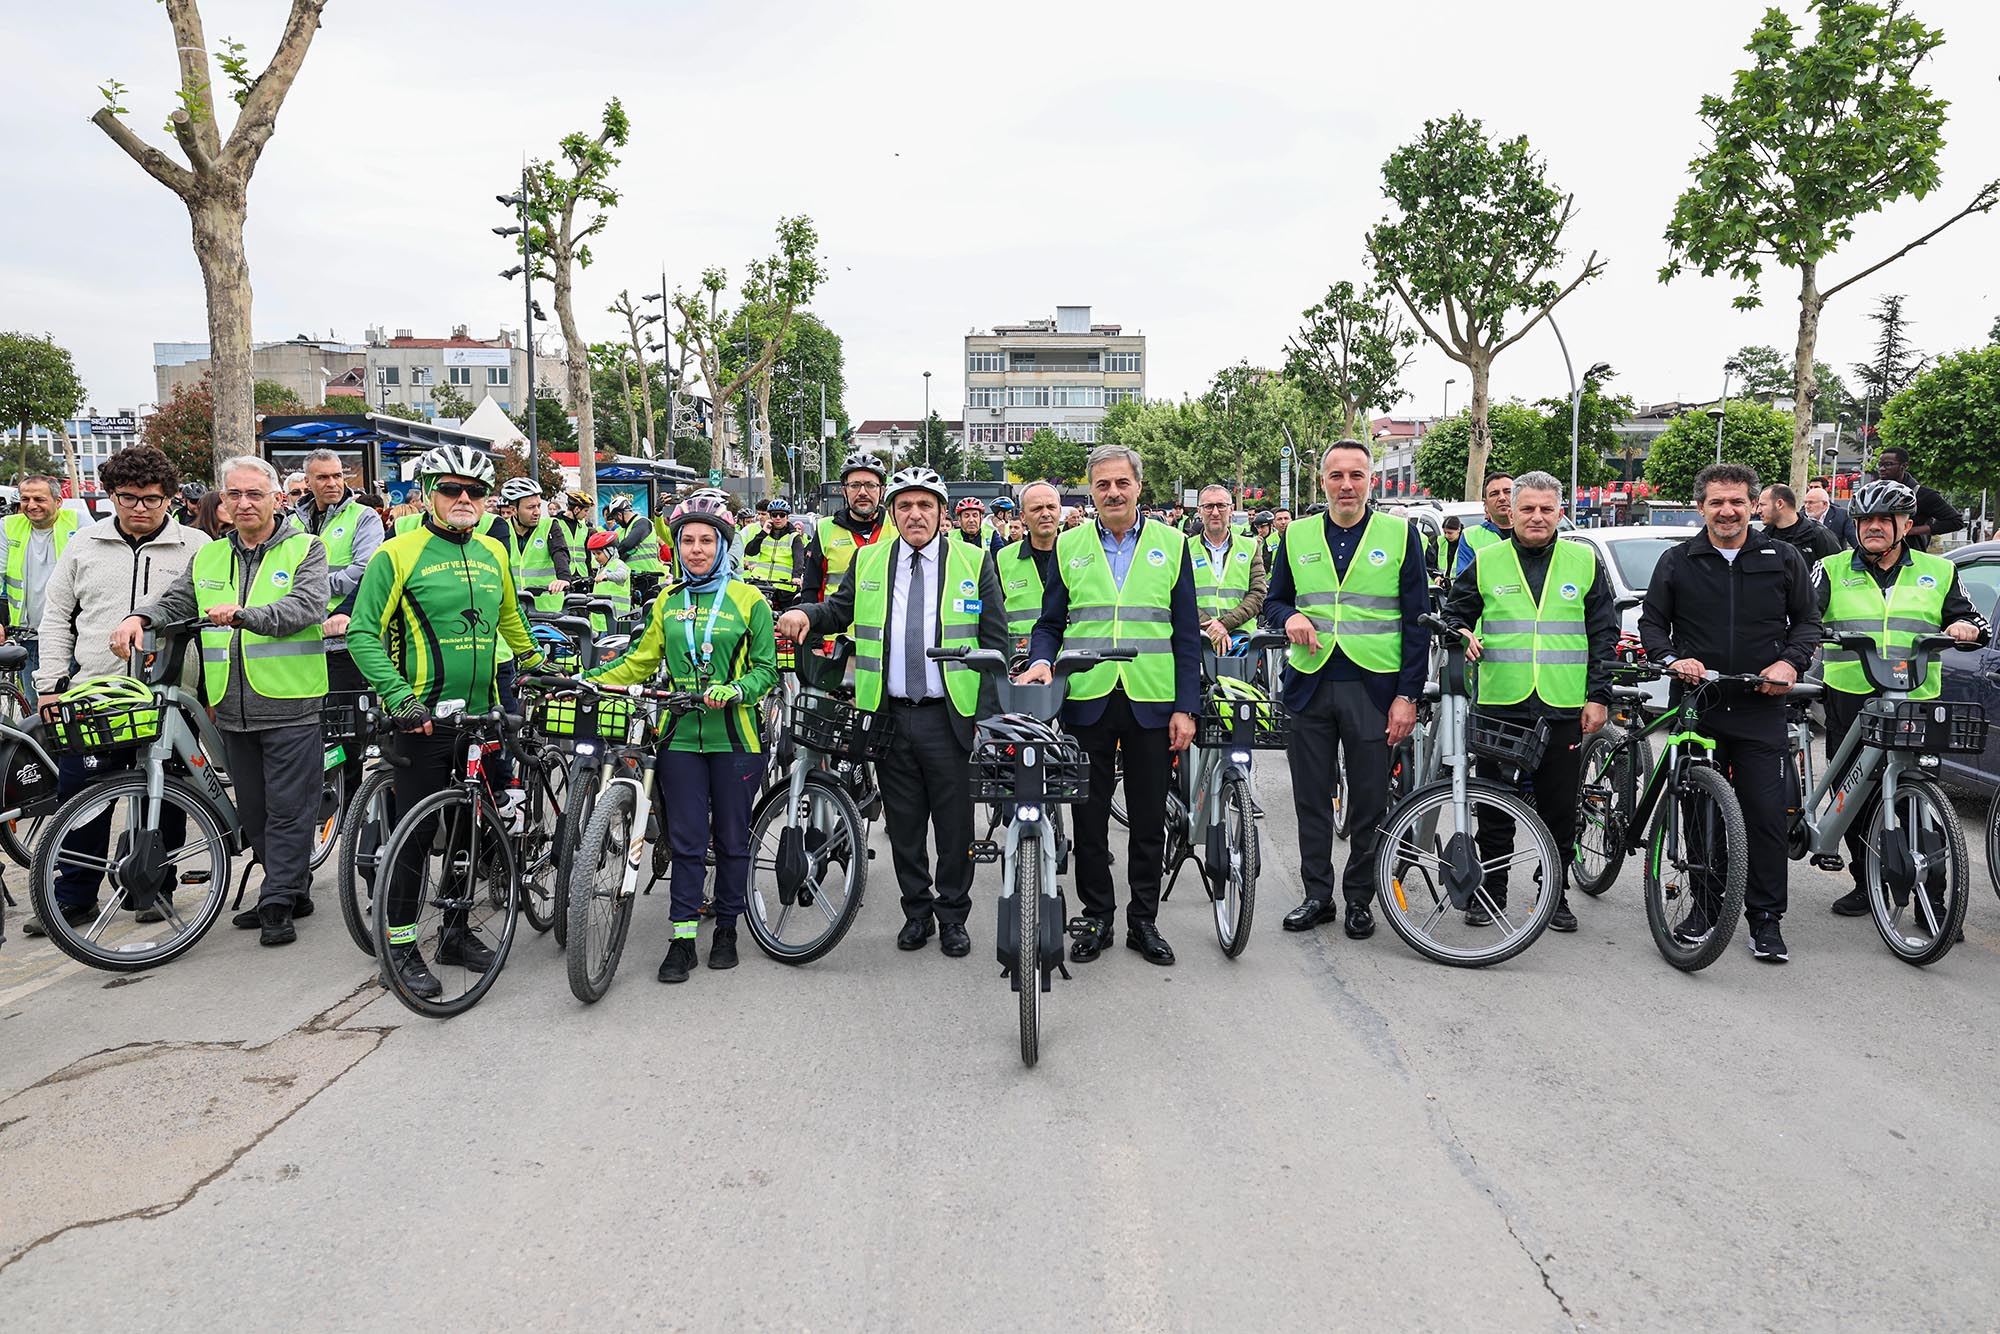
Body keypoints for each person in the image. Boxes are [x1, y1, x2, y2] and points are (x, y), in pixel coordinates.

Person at [777, 466, 1007, 956]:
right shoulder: (869, 561)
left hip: (952, 716)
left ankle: (952, 916)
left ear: (942, 513)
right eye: (905, 506)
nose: (915, 514)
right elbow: (837, 611)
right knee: (903, 825)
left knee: (954, 825)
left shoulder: (974, 560)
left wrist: (989, 720)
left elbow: (995, 645)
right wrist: (804, 613)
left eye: (926, 505)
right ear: (893, 512)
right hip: (889, 715)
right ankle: (917, 912)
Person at [344, 445, 546, 999]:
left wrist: (537, 666)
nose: (463, 499)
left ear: (486, 502)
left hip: (480, 716)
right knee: (414, 837)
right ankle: (400, 946)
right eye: (452, 489)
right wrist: (400, 698)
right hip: (421, 719)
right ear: (430, 493)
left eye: (475, 492)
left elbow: (509, 619)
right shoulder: (397, 553)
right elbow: (363, 633)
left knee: (471, 828)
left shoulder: (491, 552)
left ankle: (455, 932)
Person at [114, 456, 330, 946]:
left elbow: (305, 607)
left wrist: (245, 615)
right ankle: (291, 888)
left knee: (289, 808)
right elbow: (177, 600)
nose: (244, 503)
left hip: (291, 702)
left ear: (277, 498)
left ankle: (275, 900)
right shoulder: (210, 555)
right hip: (231, 707)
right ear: (223, 501)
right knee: (253, 810)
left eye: (255, 494)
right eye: (234, 495)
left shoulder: (305, 549)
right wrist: (141, 620)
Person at [1020, 445, 1200, 966]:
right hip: (1086, 698)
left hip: (1152, 700)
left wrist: (1185, 706)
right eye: (1103, 485)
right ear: (1091, 491)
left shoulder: (1173, 544)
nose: (1113, 493)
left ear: (1139, 487)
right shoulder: (1070, 545)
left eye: (1122, 483)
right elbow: (1050, 623)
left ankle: (1143, 921)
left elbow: (1186, 634)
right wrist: (1041, 661)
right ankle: (1097, 915)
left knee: (1148, 819)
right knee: (1089, 817)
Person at [586, 494, 778, 982]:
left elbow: (765, 671)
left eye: (706, 541)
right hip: (679, 738)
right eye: (687, 540)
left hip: (736, 739)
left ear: (722, 545)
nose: (696, 549)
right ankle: (682, 938)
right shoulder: (668, 602)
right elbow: (643, 659)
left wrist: (735, 689)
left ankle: (729, 928)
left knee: (733, 840)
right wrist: (595, 679)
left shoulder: (749, 600)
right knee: (687, 840)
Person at [23, 444, 210, 938]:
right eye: (129, 497)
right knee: (81, 798)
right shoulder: (83, 545)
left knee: (167, 796)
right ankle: (72, 900)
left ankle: (154, 889)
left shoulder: (196, 546)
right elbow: (57, 619)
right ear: (111, 496)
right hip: (92, 695)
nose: (141, 508)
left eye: (153, 498)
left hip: (171, 693)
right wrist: (49, 686)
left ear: (170, 497)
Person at [1639, 462, 1820, 963]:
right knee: (1699, 811)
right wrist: (1675, 660)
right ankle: (1704, 906)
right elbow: (1653, 625)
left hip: (1762, 704)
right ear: (1701, 507)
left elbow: (1808, 621)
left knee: (1765, 817)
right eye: (1717, 502)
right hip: (1700, 704)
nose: (1727, 510)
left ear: (1754, 506)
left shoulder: (1781, 558)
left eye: (1737, 501)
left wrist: (1789, 662)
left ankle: (1765, 919)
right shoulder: (1678, 560)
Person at [1265, 440, 1429, 941]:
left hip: (1373, 690)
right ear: (1322, 481)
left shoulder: (1400, 536)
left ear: (1371, 481)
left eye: (1356, 475)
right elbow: (1274, 602)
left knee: (1369, 802)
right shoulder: (1295, 537)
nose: (1346, 485)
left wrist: (1408, 696)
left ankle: (1360, 898)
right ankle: (1317, 895)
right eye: (1336, 475)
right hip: (1310, 687)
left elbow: (1416, 623)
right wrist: (1289, 615)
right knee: (1311, 799)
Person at [1442, 470, 1619, 935]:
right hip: (1502, 703)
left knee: (1560, 810)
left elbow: (1604, 634)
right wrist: (1459, 632)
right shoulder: (1487, 559)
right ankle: (1491, 893)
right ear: (1510, 512)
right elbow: (1455, 614)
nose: (1537, 517)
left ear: (1561, 512)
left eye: (1546, 509)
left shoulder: (1585, 560)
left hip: (1563, 705)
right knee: (1496, 809)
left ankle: (1554, 894)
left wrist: (1598, 696)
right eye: (1527, 509)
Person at [1812, 479, 1988, 917]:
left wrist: (1966, 628)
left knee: (1918, 802)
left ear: (1906, 525)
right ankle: (1863, 881)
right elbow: (1801, 615)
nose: (1872, 527)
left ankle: (1935, 902)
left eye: (1883, 520)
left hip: (1915, 698)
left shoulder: (1940, 571)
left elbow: (1971, 618)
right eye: (1864, 520)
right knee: (1852, 793)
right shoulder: (1831, 569)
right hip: (1851, 697)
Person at [295, 448, 384, 796]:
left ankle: (347, 802)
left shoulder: (363, 517)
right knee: (307, 727)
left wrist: (310, 587)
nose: (332, 483)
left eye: (337, 476)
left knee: (344, 727)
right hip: (300, 637)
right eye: (323, 477)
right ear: (308, 482)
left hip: (342, 638)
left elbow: (367, 570)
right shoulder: (292, 520)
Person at [0, 473, 81, 692]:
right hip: (30, 634)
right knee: (38, 706)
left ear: (58, 502)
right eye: (25, 499)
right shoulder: (7, 526)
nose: (31, 505)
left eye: (39, 499)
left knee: (75, 704)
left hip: (74, 634)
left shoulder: (79, 522)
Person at [802, 452, 889, 608]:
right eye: (855, 485)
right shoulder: (824, 529)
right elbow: (811, 589)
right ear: (844, 491)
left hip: (885, 631)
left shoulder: (897, 527)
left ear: (882, 491)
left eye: (870, 485)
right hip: (835, 631)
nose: (862, 492)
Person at [1191, 484, 1267, 651]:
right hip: (1197, 638)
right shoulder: (1184, 548)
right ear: (1199, 511)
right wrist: (1211, 628)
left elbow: (1258, 593)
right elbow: (1180, 596)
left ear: (1231, 509)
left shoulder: (1250, 547)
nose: (1215, 512)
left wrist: (1225, 624)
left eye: (1221, 506)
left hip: (1242, 640)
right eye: (1209, 506)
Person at [997, 480, 1064, 653]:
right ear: (1022, 517)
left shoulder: (1081, 552)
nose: (1045, 514)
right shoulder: (1003, 558)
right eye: (1036, 509)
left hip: (1075, 662)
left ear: (1060, 511)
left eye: (1051, 507)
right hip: (1021, 662)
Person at [500, 479, 573, 614]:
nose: (537, 512)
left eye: (539, 506)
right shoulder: (502, 530)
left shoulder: (549, 526)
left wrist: (563, 579)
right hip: (512, 610)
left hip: (547, 610)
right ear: (513, 510)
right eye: (530, 507)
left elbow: (560, 552)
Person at [1872, 447, 1963, 552]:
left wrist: (1909, 530)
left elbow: (1956, 521)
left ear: (1904, 466)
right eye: (1880, 465)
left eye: (1888, 464)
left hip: (1910, 556)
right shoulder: (1873, 492)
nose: (1882, 469)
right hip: (1876, 553)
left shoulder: (1924, 495)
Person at [1758, 483, 1842, 565]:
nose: (1758, 510)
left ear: (1780, 504)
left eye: (1762, 505)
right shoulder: (1765, 538)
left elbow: (1836, 570)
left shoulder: (1818, 535)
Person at [741, 497, 805, 602]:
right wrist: (763, 533)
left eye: (782, 515)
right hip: (761, 583)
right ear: (770, 517)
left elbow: (799, 559)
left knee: (787, 615)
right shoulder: (764, 534)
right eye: (774, 515)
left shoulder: (794, 537)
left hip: (784, 586)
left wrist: (796, 576)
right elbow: (750, 551)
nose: (778, 518)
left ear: (787, 517)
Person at [606, 494, 666, 606]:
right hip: (632, 578)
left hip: (647, 578)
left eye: (616, 519)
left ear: (619, 514)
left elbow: (628, 544)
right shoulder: (623, 530)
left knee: (647, 613)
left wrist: (613, 555)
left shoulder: (642, 522)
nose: (616, 522)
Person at [1453, 472, 1515, 577]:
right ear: (1485, 504)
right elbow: (1465, 582)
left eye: (1508, 492)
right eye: (1494, 494)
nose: (1502, 498)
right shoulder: (1471, 536)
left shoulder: (1534, 531)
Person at [583, 530, 630, 631]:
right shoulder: (602, 568)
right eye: (594, 554)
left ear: (610, 551)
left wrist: (607, 576)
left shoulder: (618, 564)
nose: (596, 557)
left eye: (599, 553)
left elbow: (623, 575)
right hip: (599, 623)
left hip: (614, 621)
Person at [1802, 481, 1855, 549]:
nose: (1807, 506)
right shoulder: (1801, 516)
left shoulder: (1841, 516)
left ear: (1825, 504)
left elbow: (1855, 542)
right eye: (1805, 502)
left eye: (1811, 503)